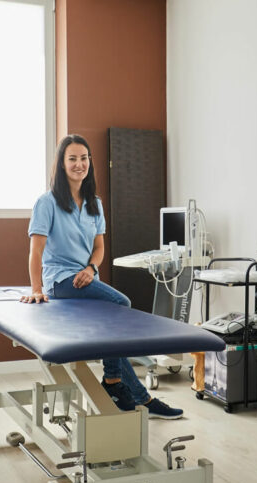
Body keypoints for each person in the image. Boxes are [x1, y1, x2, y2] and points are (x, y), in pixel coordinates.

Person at [20, 134, 183, 420]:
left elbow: (99, 248)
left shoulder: (94, 203)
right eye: (72, 158)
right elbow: (36, 250)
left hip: (84, 279)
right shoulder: (46, 203)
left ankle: (135, 394)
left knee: (113, 333)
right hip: (60, 281)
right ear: (61, 164)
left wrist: (91, 269)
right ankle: (113, 382)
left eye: (84, 158)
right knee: (121, 303)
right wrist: (36, 288)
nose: (79, 164)